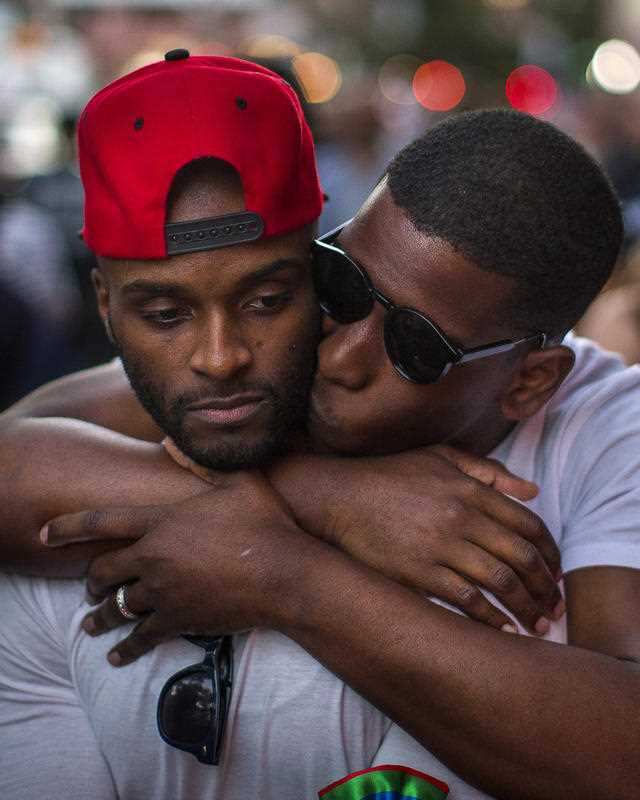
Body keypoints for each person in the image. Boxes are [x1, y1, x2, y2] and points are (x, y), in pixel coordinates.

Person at [1, 56, 639, 800]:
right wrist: (325, 496)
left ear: (528, 382)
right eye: (342, 282)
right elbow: (21, 447)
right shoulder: (255, 366)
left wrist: (289, 578)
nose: (341, 356)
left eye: (415, 347)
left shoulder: (604, 422)